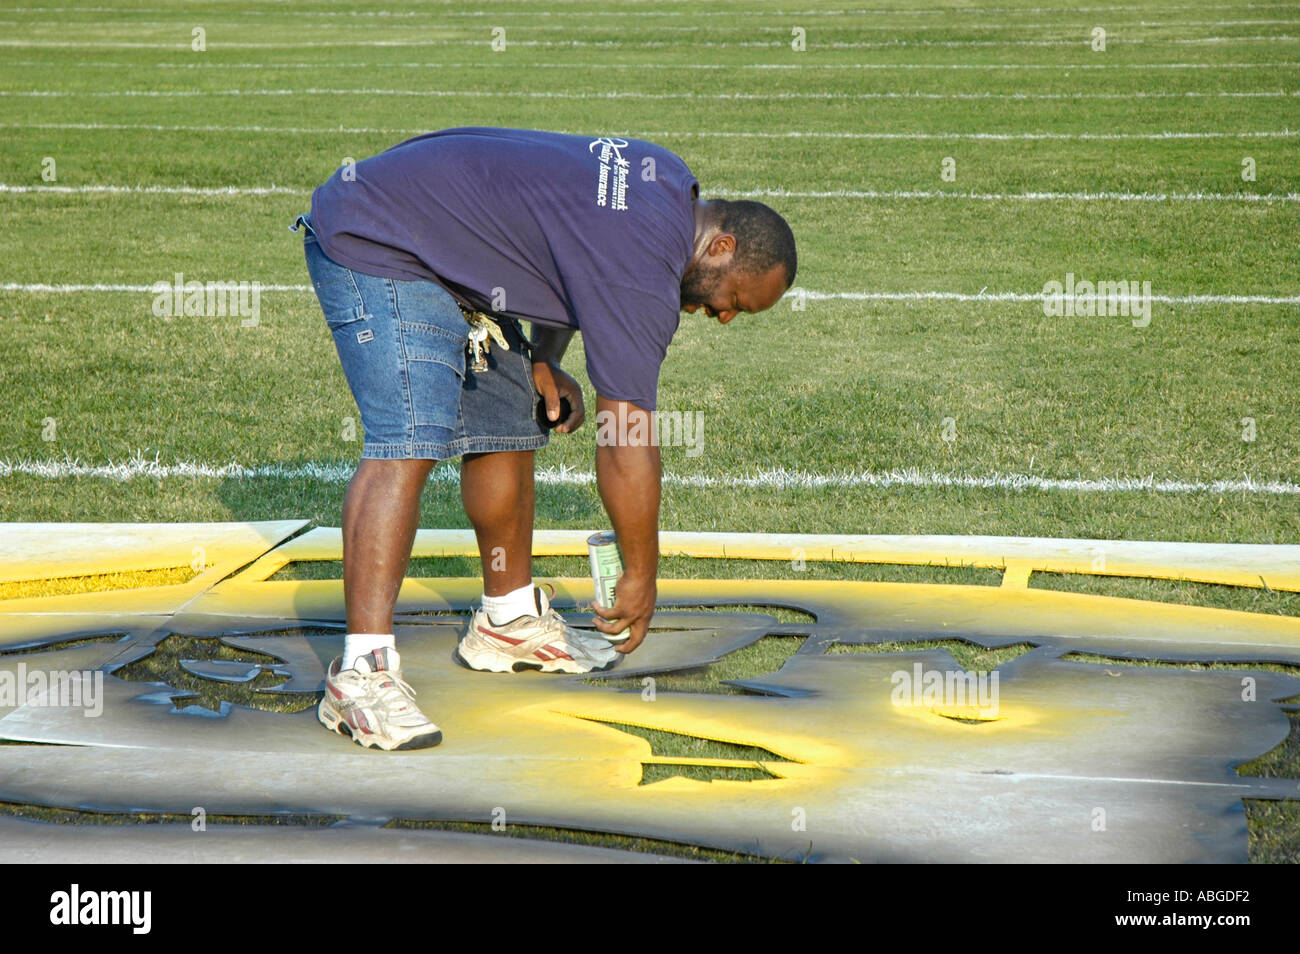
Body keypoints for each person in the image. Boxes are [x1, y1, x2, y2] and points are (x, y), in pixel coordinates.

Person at [293, 127, 797, 750]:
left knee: (513, 417)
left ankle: (506, 620)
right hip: (383, 236)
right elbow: (625, 435)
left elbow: (561, 247)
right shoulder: (647, 265)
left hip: (447, 238)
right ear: (720, 247)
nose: (722, 317)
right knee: (411, 436)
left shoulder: (665, 180)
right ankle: (360, 675)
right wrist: (641, 572)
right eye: (734, 303)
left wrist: (546, 356)